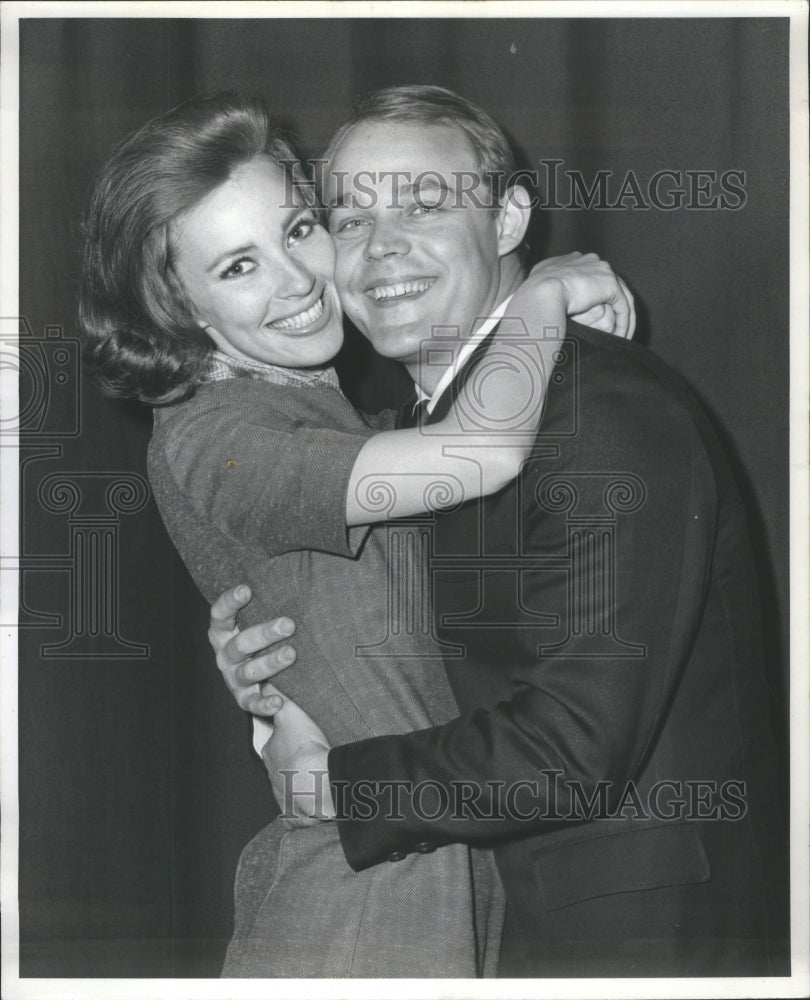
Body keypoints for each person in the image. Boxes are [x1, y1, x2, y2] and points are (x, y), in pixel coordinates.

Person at [211, 85, 789, 977]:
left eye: (426, 205)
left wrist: (332, 784)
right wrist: (274, 662)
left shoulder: (600, 414)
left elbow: (573, 745)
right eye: (351, 220)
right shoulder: (434, 430)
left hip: (633, 945)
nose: (383, 247)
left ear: (511, 215)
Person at [78, 91, 633, 978]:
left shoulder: (326, 412)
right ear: (174, 307)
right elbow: (480, 452)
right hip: (355, 913)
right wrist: (546, 291)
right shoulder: (219, 434)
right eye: (237, 268)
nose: (297, 281)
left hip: (431, 887)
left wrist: (267, 700)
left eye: (299, 231)